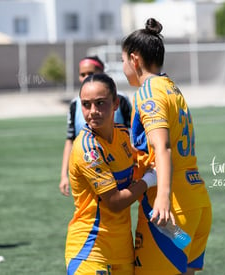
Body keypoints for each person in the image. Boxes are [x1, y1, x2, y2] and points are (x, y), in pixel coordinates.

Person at [121, 18, 212, 275]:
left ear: (134, 59)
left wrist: (162, 197)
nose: (123, 67)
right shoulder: (171, 87)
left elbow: (163, 147)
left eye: (123, 61)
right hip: (196, 202)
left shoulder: (149, 92)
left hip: (169, 211)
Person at [64, 73, 156, 275]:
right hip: (91, 251)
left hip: (123, 250)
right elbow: (114, 202)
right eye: (86, 104)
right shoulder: (88, 149)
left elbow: (152, 160)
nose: (93, 111)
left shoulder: (123, 135)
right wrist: (148, 180)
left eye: (100, 103)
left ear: (115, 104)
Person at [59, 56, 132, 196]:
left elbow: (131, 132)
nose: (93, 111)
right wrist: (64, 174)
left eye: (90, 73)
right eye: (82, 74)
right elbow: (70, 139)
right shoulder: (76, 104)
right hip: (90, 160)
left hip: (118, 162)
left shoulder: (120, 99)